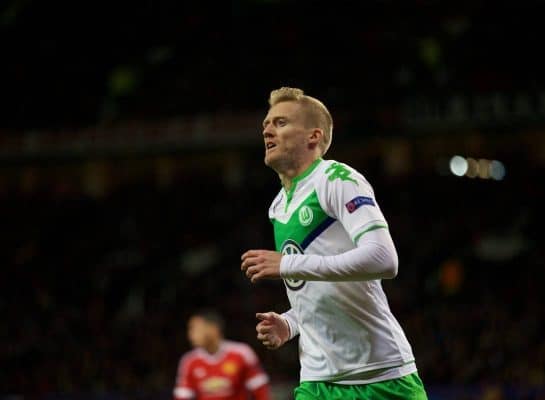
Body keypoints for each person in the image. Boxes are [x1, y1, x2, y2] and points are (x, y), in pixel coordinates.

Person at [240, 87, 428, 399]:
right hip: (317, 379)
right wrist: (290, 322)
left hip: (380, 376)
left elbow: (384, 259)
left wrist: (286, 263)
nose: (268, 129)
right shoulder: (278, 207)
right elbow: (317, 287)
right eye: (266, 124)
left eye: (281, 122)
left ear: (313, 137)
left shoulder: (336, 178)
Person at [172, 309, 272, 400]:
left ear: (213, 329)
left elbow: (260, 390)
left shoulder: (242, 353)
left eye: (195, 329)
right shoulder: (189, 361)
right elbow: (182, 395)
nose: (191, 335)